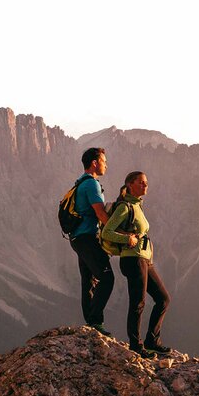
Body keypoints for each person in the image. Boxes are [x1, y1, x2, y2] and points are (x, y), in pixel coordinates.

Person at [101, 171, 171, 356]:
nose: (145, 186)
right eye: (141, 183)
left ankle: (152, 340)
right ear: (130, 185)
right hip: (133, 259)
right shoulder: (125, 207)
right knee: (138, 303)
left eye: (146, 183)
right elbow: (106, 233)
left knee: (163, 299)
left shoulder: (137, 206)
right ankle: (136, 345)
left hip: (144, 259)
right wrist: (127, 240)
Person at [69, 147, 115, 336]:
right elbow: (100, 212)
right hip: (87, 238)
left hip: (78, 238)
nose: (106, 164)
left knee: (88, 281)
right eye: (104, 161)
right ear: (94, 163)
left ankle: (91, 323)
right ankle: (95, 321)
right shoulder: (91, 184)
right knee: (106, 277)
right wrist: (115, 234)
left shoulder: (80, 183)